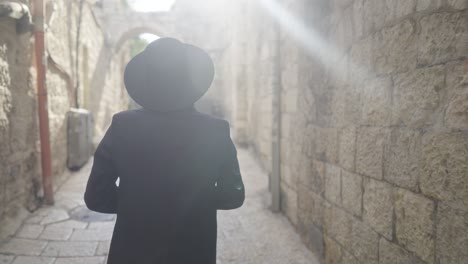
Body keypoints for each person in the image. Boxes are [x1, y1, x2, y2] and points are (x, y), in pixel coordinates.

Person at [84, 38, 245, 264]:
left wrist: (138, 203)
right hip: (194, 252)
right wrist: (194, 202)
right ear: (191, 78)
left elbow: (96, 197)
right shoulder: (216, 130)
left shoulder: (122, 125)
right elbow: (233, 196)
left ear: (146, 81)